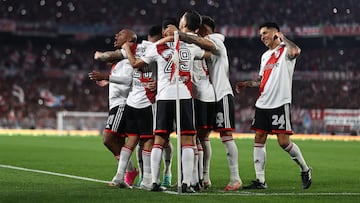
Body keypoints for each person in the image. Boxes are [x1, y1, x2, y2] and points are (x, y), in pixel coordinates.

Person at [122, 13, 211, 193]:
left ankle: (154, 181)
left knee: (159, 139)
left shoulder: (156, 47)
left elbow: (136, 64)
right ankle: (185, 183)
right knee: (187, 140)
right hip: (184, 96)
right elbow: (209, 53)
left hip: (163, 97)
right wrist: (182, 39)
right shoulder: (190, 46)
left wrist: (128, 50)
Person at [167, 15, 243, 191]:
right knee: (203, 137)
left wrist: (179, 33)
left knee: (226, 136)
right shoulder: (198, 44)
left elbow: (208, 45)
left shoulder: (214, 39)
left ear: (204, 29)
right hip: (209, 95)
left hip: (222, 93)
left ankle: (235, 177)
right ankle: (205, 177)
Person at [235, 22, 312, 189]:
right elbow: (261, 80)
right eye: (260, 34)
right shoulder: (265, 56)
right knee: (259, 138)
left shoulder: (285, 50)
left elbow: (296, 51)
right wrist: (247, 84)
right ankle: (260, 180)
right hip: (263, 103)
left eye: (265, 33)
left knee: (284, 142)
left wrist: (284, 38)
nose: (262, 37)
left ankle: (305, 169)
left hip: (279, 102)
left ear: (275, 33)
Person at [89, 28, 138, 187]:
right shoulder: (120, 60)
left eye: (121, 34)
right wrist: (108, 81)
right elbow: (122, 79)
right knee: (119, 140)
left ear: (130, 38)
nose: (116, 36)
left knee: (108, 139)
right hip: (117, 104)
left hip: (122, 104)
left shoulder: (129, 58)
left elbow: (128, 80)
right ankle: (126, 173)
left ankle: (128, 170)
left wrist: (106, 76)